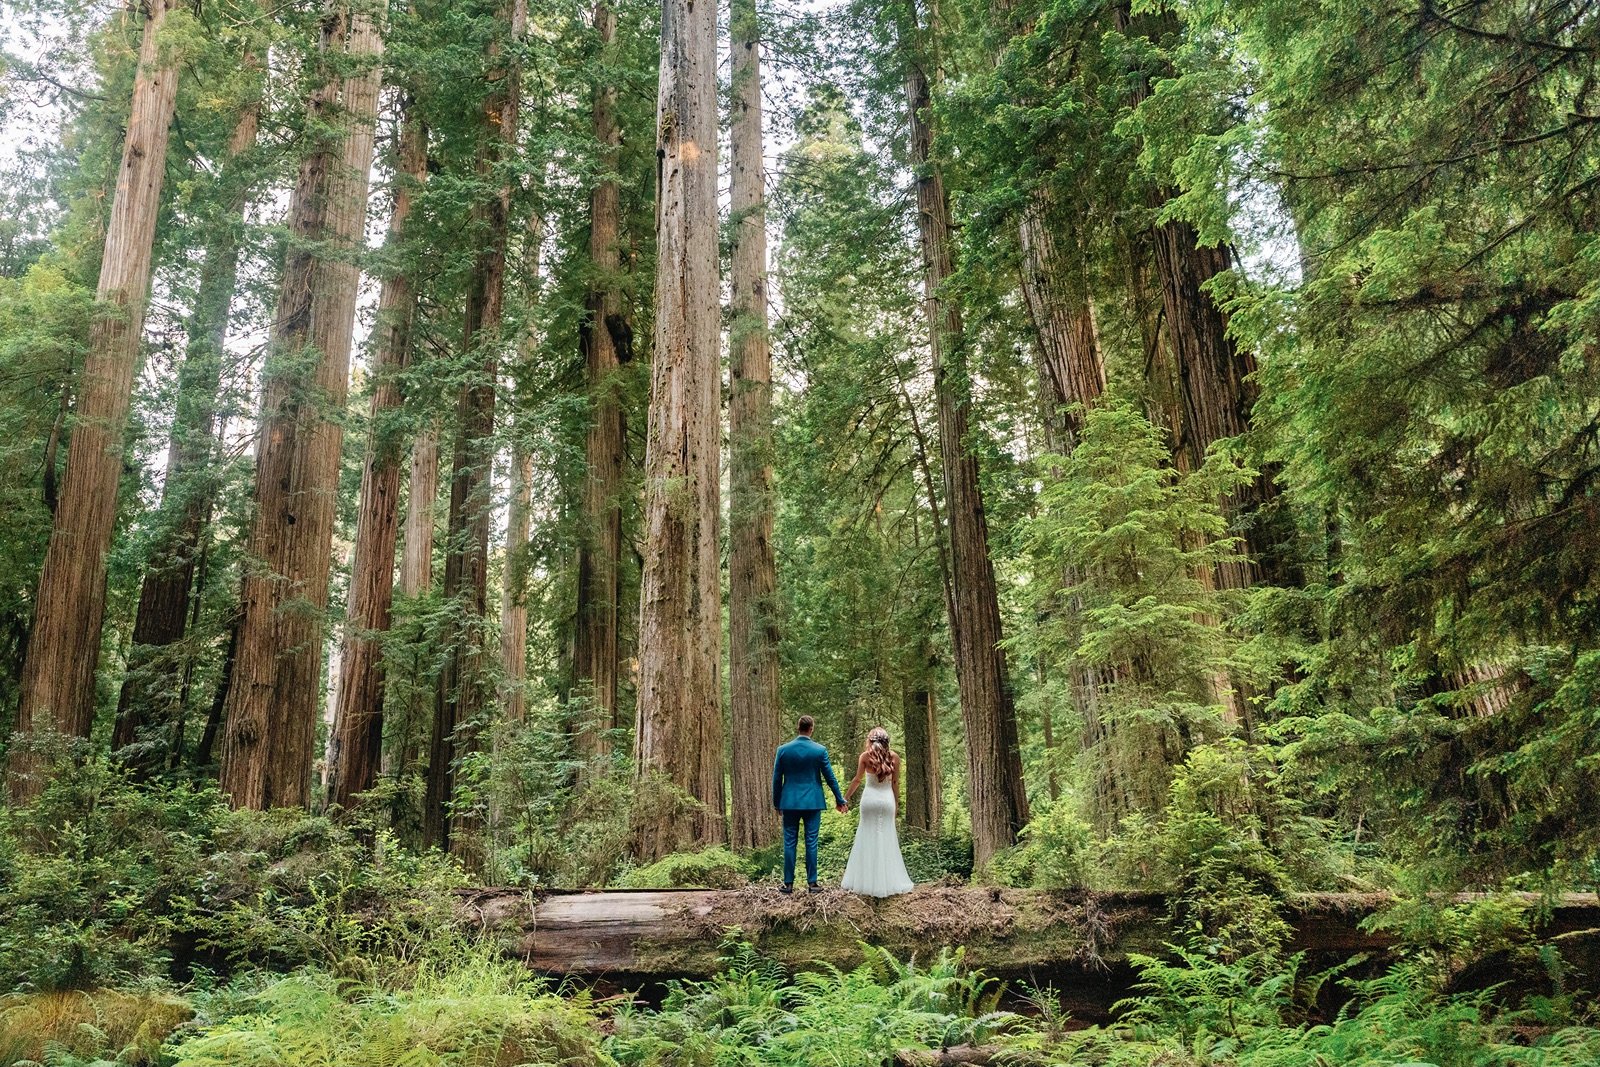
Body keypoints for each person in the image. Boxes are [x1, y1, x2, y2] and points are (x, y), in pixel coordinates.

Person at [771, 715, 847, 893]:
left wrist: (777, 803)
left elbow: (777, 779)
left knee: (789, 841)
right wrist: (839, 799)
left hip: (789, 802)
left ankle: (788, 884)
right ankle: (812, 883)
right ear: (811, 729)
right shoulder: (819, 750)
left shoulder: (783, 750)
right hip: (813, 802)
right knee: (811, 841)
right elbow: (830, 777)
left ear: (798, 728)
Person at [839, 726, 916, 897]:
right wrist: (896, 804)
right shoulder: (894, 757)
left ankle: (865, 881)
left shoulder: (865, 757)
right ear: (887, 742)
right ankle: (886, 882)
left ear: (870, 741)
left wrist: (845, 798)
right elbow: (895, 783)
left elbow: (857, 780)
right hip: (886, 801)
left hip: (869, 801)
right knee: (887, 838)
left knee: (866, 837)